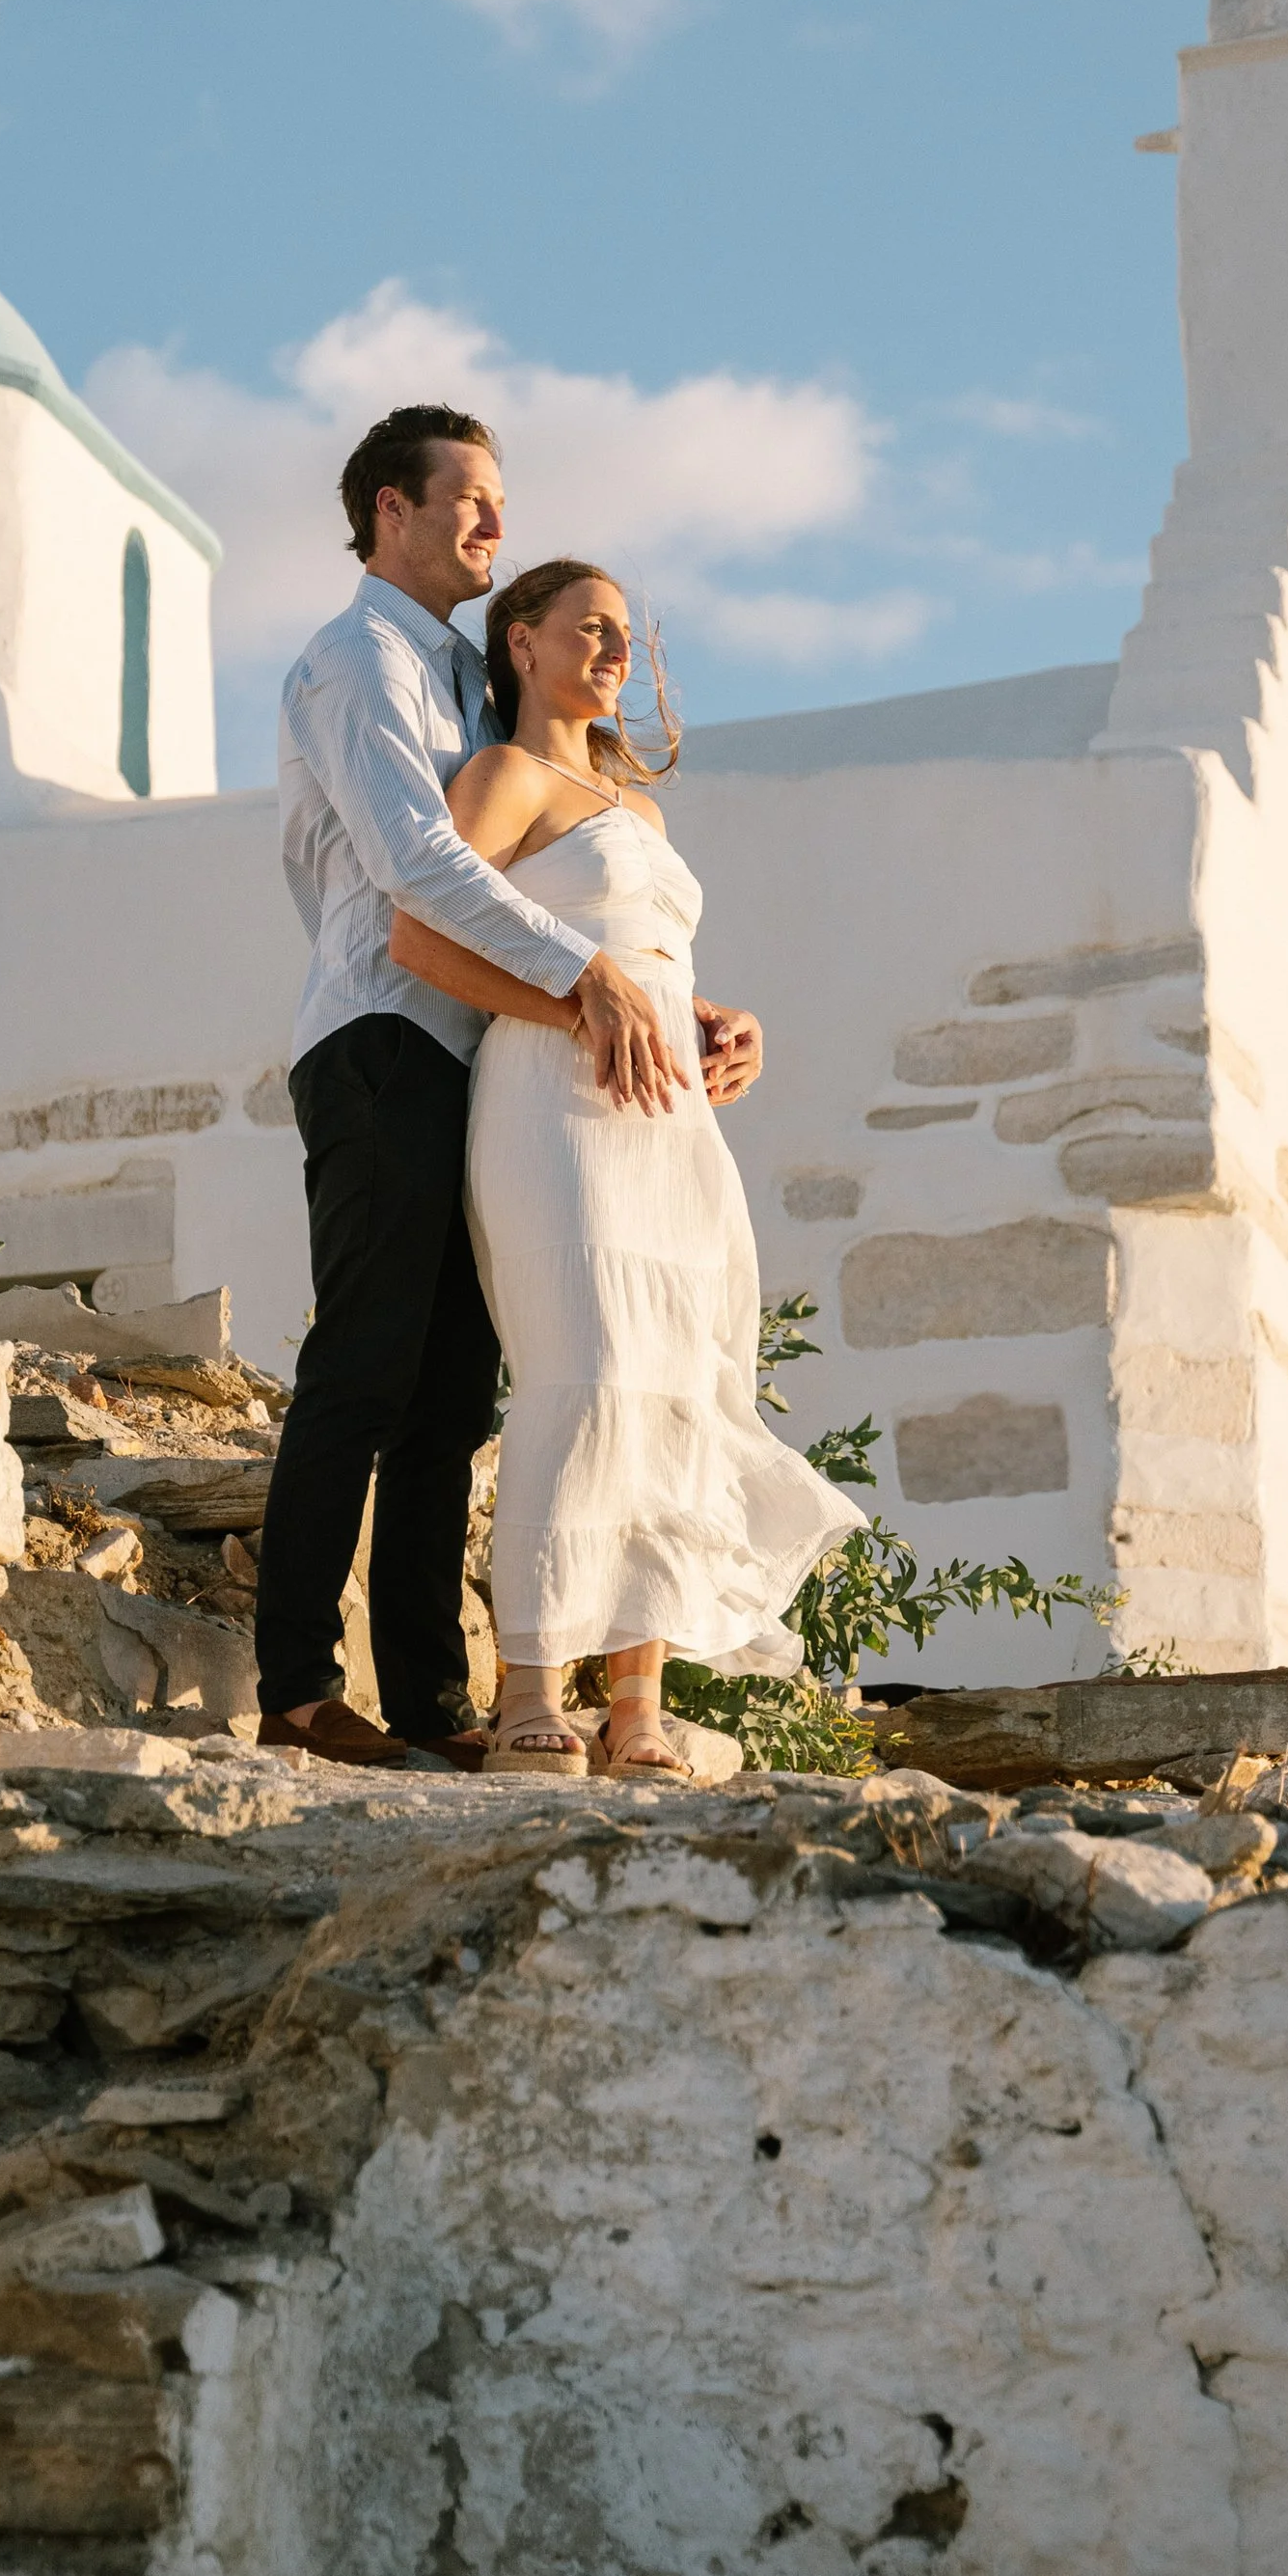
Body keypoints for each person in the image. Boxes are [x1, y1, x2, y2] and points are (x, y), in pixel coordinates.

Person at [256, 409, 759, 1770]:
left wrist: (664, 997)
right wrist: (594, 979)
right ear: (386, 511)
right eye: (468, 499)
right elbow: (419, 874)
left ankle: (433, 1704)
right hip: (380, 1041)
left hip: (482, 1061)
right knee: (363, 1368)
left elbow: (552, 882)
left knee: (451, 1398)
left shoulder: (474, 692)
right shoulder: (357, 662)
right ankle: (298, 1689)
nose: (493, 522)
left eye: (499, 501)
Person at [389, 560, 863, 1775]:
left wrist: (717, 1021)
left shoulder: (638, 815)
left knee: (670, 1380)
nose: (614, 650)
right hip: (552, 1104)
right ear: (521, 644)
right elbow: (420, 937)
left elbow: (642, 953)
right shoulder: (502, 778)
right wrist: (572, 1014)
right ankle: (531, 1683)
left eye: (624, 635)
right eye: (587, 628)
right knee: (585, 1370)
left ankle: (640, 1702)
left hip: (668, 1124)